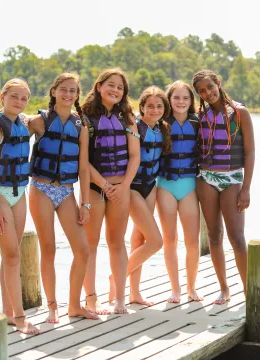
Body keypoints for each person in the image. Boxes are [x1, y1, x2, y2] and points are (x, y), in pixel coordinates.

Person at [28, 73, 97, 323]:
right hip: (41, 188)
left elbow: (84, 167)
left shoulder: (81, 125)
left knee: (83, 249)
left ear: (78, 95)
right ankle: (52, 306)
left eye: (73, 91)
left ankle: (75, 305)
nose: (68, 95)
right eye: (63, 90)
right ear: (54, 90)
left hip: (66, 191)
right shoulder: (40, 121)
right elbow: (11, 127)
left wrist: (85, 203)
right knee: (48, 249)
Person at [0, 78, 40, 335]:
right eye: (13, 96)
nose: (19, 101)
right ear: (2, 96)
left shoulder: (24, 124)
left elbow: (50, 116)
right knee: (12, 255)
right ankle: (21, 316)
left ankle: (8, 312)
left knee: (10, 254)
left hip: (19, 193)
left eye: (23, 98)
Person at [191, 69, 255, 305]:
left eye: (210, 87)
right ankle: (224, 289)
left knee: (237, 237)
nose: (208, 93)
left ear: (218, 83)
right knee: (214, 235)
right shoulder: (201, 116)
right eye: (201, 91)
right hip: (206, 178)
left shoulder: (240, 113)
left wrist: (246, 187)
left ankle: (249, 289)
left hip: (232, 180)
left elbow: (250, 151)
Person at [81, 69, 140, 314]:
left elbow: (135, 155)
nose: (115, 90)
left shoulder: (128, 117)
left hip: (122, 187)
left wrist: (124, 185)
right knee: (90, 244)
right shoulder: (83, 117)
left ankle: (119, 299)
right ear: (98, 86)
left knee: (117, 242)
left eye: (120, 87)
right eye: (110, 85)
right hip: (95, 188)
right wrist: (105, 185)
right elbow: (82, 160)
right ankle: (91, 299)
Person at [109, 86, 171, 306]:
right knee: (156, 241)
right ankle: (117, 278)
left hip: (150, 186)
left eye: (159, 106)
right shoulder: (134, 126)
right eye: (150, 106)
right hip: (133, 187)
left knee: (140, 239)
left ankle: (134, 294)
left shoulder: (163, 128)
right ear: (142, 107)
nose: (155, 109)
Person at [157, 81, 202, 303]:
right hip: (166, 184)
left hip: (189, 186)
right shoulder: (161, 123)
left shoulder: (198, 123)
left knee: (192, 241)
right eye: (176, 98)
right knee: (170, 239)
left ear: (191, 101)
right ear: (169, 99)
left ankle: (191, 288)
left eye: (186, 98)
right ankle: (175, 289)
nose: (181, 102)